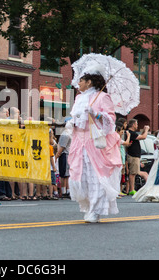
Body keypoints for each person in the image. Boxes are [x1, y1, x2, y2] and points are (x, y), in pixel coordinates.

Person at [68, 67, 122, 223]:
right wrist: (71, 123)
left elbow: (111, 121)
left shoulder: (103, 97)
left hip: (95, 141)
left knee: (96, 175)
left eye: (81, 80)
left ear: (89, 82)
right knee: (80, 175)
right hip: (79, 140)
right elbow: (76, 118)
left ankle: (95, 210)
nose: (78, 83)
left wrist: (97, 114)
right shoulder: (78, 98)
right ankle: (89, 206)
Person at [126, 119, 150, 195]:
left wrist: (144, 131)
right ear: (133, 125)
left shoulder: (133, 133)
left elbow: (141, 136)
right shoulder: (131, 133)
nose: (137, 125)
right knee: (133, 173)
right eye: (136, 124)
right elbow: (143, 137)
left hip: (135, 156)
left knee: (136, 172)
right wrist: (146, 130)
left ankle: (134, 189)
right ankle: (132, 189)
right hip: (133, 155)